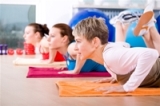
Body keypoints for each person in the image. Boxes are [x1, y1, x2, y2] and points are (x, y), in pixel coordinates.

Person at [72, 0, 160, 93]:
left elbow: (150, 53)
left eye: (78, 41)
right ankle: (147, 26)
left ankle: (150, 26)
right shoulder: (109, 51)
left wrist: (128, 87)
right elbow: (122, 45)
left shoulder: (110, 56)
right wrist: (117, 76)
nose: (75, 48)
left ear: (95, 42)